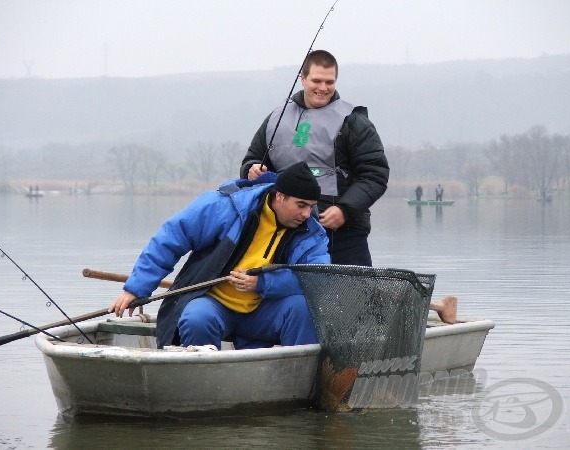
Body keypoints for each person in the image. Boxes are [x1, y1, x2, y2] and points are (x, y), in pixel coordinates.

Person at [109, 161, 330, 350]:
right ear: (279, 197)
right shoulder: (225, 206)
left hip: (264, 310)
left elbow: (317, 279)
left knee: (303, 308)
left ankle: (295, 382)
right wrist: (135, 289)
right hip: (213, 302)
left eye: (311, 207)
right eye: (300, 205)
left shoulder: (312, 232)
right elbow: (169, 240)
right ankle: (201, 385)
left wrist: (263, 283)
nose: (306, 214)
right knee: (196, 319)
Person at [240, 49, 389, 267]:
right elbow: (252, 159)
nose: (323, 88)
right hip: (286, 231)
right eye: (316, 80)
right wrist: (252, 169)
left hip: (343, 232)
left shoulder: (354, 122)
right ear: (303, 79)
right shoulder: (277, 117)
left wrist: (345, 210)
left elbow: (375, 175)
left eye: (330, 82)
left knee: (355, 297)